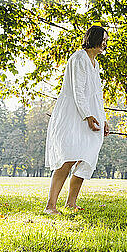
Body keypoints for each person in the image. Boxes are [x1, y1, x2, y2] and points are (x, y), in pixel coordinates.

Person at [44, 25, 110, 215]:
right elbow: (77, 90)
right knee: (68, 158)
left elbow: (97, 95)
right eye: (102, 40)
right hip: (74, 115)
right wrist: (87, 115)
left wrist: (102, 118)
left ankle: (71, 203)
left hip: (92, 115)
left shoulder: (96, 64)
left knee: (86, 156)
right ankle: (51, 206)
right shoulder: (79, 58)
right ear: (93, 38)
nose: (104, 44)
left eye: (106, 41)